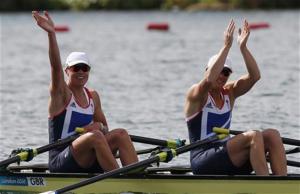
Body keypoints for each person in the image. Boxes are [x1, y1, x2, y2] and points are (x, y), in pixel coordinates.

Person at [32, 11, 138, 173]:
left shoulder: (93, 96)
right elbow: (54, 67)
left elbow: (105, 129)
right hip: (61, 159)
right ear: (67, 71)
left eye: (85, 68)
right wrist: (51, 34)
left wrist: (99, 126)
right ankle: (120, 181)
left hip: (88, 154)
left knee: (121, 134)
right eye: (76, 68)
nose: (81, 72)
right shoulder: (61, 94)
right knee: (95, 137)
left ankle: (136, 178)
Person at [184, 20, 287, 175]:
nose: (222, 75)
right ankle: (266, 186)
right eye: (219, 70)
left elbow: (255, 76)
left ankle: (282, 185)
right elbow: (209, 80)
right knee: (254, 135)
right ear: (208, 70)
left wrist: (243, 48)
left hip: (227, 156)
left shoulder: (229, 93)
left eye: (226, 72)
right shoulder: (196, 94)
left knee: (272, 135)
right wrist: (226, 46)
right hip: (203, 160)